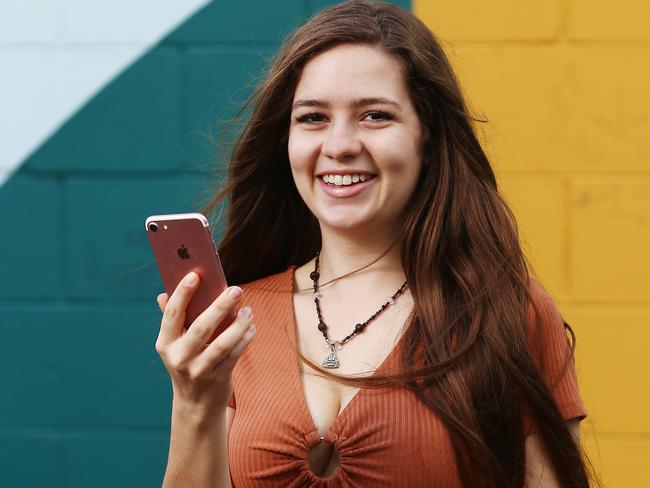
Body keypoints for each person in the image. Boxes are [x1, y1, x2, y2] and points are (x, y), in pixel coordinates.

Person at [154, 1, 594, 486]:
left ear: (427, 138)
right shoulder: (237, 319)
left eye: (375, 116)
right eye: (313, 118)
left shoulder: (510, 314)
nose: (340, 144)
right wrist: (194, 401)